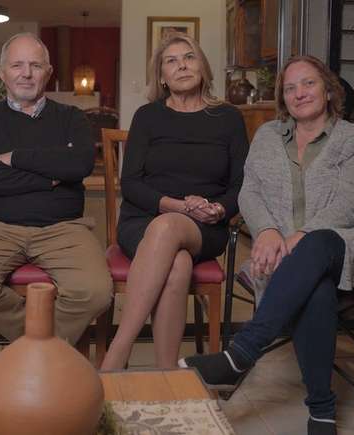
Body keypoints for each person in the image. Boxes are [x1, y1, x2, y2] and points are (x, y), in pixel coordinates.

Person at [180, 55, 354, 435]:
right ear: (282, 97)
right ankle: (322, 410)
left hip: (343, 244)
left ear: (328, 89)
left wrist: (301, 237)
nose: (299, 93)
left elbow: (352, 204)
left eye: (308, 84)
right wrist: (268, 230)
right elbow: (251, 191)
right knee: (316, 290)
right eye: (290, 88)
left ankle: (240, 354)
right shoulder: (269, 135)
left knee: (317, 244)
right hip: (285, 256)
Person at [0, 33, 112, 347]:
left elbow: (79, 164)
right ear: (2, 72)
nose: (26, 73)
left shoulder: (72, 117)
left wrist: (16, 159)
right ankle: (42, 344)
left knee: (95, 291)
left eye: (35, 65)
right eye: (17, 65)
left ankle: (33, 350)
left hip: (62, 228)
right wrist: (49, 178)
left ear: (48, 72)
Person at [100, 33, 248, 370]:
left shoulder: (228, 118)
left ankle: (115, 356)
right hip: (142, 220)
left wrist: (219, 208)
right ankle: (167, 376)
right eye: (171, 61)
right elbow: (132, 184)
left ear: (203, 67)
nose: (181, 65)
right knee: (178, 264)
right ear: (162, 77)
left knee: (168, 230)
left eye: (189, 57)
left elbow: (242, 183)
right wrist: (180, 205)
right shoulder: (147, 117)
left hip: (205, 226)